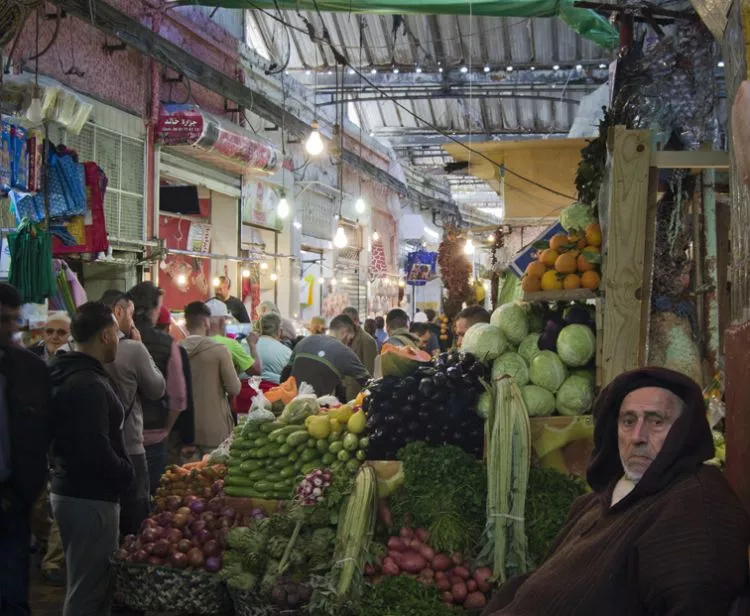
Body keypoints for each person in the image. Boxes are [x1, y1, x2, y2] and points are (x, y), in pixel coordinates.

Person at [482, 367, 750, 616]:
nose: (637, 436)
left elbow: (696, 600)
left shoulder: (696, 507)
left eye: (656, 422)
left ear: (684, 432)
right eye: (628, 421)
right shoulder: (595, 501)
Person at [49, 302, 134, 616]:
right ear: (107, 335)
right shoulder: (87, 384)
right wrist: (126, 473)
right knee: (89, 591)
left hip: (71, 490)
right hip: (90, 498)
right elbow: (94, 450)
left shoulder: (68, 372)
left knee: (87, 585)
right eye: (115, 330)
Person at [0, 283, 51, 613]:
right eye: (3, 319)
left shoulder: (30, 369)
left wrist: (27, 488)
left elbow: (40, 431)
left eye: (14, 320)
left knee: (12, 589)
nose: (11, 328)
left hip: (11, 497)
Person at [100, 290, 166, 536]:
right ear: (118, 312)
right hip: (129, 445)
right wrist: (141, 348)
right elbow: (157, 388)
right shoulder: (131, 349)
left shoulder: (75, 347)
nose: (133, 320)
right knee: (134, 519)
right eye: (130, 313)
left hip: (92, 447)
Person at [128, 282, 187, 495]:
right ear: (153, 309)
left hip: (118, 435)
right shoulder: (166, 343)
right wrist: (166, 430)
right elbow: (178, 397)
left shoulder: (114, 338)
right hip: (153, 434)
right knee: (152, 499)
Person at [179, 302, 241, 452]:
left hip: (182, 430)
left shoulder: (175, 350)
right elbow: (235, 388)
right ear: (207, 322)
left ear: (186, 324)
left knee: (182, 474)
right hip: (214, 429)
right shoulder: (219, 351)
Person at [285, 314, 370, 401]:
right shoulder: (344, 351)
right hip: (315, 409)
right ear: (344, 333)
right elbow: (369, 383)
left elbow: (286, 372)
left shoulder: (304, 341)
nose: (349, 343)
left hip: (288, 404)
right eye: (350, 339)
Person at [205, 298, 261, 376]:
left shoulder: (195, 342)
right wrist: (252, 345)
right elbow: (256, 370)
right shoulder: (229, 345)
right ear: (222, 321)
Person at [341, 307, 378, 401]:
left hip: (358, 396)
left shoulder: (367, 341)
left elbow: (370, 373)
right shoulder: (344, 338)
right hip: (343, 393)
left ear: (356, 321)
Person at [256, 312, 292, 385]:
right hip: (274, 393)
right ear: (280, 331)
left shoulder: (246, 345)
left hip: (243, 393)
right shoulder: (286, 352)